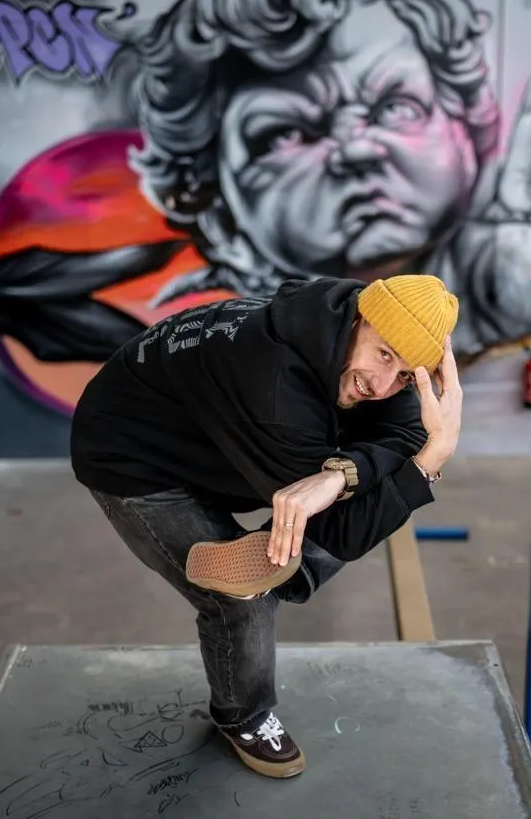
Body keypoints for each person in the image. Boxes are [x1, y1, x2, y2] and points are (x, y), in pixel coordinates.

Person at [70, 274, 463, 779]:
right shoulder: (277, 391)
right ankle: (244, 714)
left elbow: (404, 429)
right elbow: (340, 532)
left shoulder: (346, 320)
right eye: (383, 356)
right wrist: (431, 459)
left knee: (343, 495)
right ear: (359, 319)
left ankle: (285, 561)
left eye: (406, 377)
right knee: (244, 598)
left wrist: (341, 473)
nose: (384, 386)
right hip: (135, 457)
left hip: (206, 438)